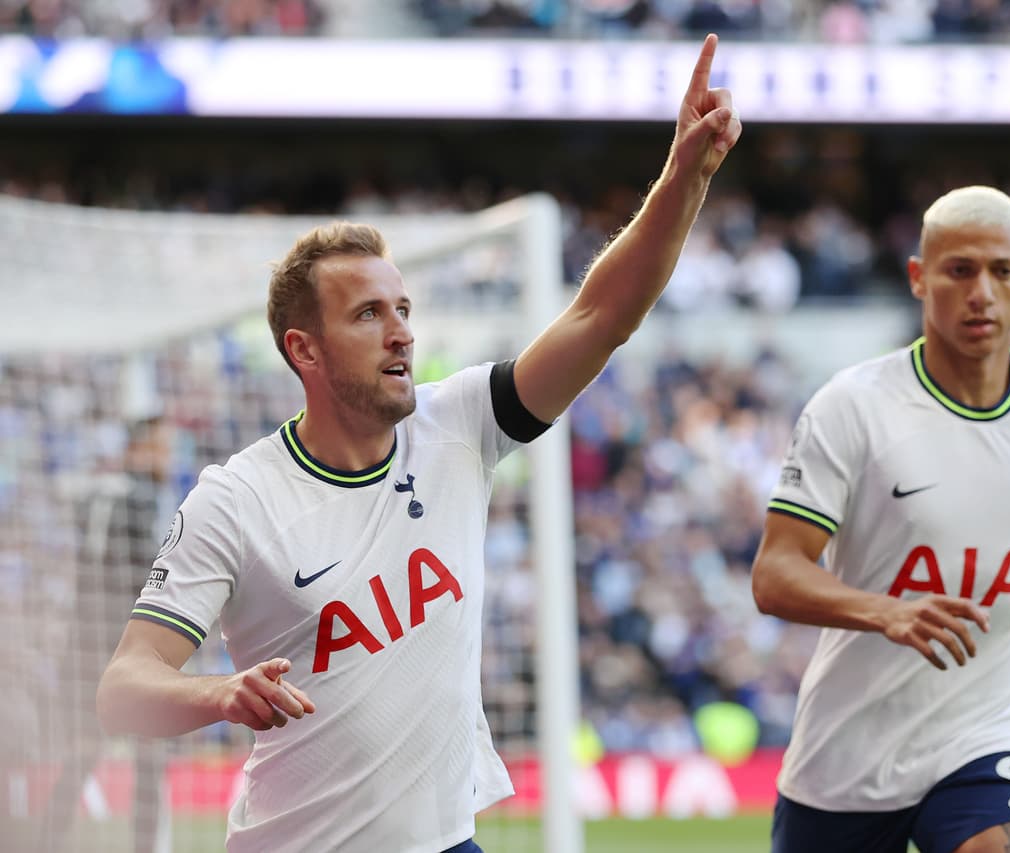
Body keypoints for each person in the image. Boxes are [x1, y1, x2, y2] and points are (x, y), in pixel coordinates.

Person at [96, 34, 741, 853]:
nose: (401, 332)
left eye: (402, 309)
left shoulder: (459, 421)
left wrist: (685, 178)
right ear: (304, 350)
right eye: (369, 314)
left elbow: (601, 316)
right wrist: (220, 693)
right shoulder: (237, 498)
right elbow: (124, 687)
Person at [751, 186, 1010, 853]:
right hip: (845, 760)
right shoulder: (852, 407)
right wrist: (886, 612)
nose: (981, 292)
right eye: (959, 270)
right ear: (918, 277)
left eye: (1001, 271)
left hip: (986, 740)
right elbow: (775, 572)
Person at [43, 417, 173, 853]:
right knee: (149, 758)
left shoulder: (95, 492)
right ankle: (144, 847)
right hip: (128, 647)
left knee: (81, 755)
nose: (167, 459)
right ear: (140, 449)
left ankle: (44, 842)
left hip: (84, 645)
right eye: (161, 448)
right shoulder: (143, 497)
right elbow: (149, 575)